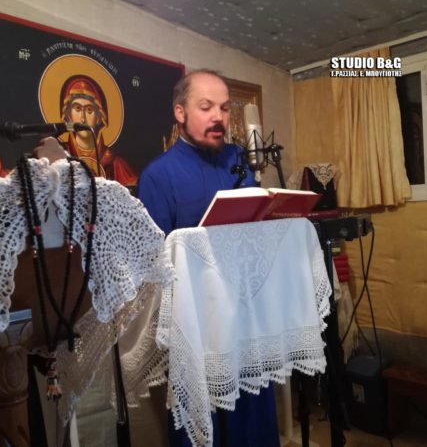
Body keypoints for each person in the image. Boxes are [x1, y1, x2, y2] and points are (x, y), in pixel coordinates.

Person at [137, 69, 280, 446]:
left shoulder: (240, 161)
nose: (218, 116)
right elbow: (153, 266)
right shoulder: (158, 176)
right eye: (206, 107)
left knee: (254, 425)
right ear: (180, 112)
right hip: (198, 331)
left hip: (247, 322)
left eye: (224, 108)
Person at [60, 75, 138, 186]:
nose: (82, 118)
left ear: (99, 117)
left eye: (89, 110)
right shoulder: (60, 156)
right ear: (68, 115)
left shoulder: (115, 163)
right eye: (77, 108)